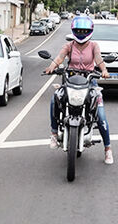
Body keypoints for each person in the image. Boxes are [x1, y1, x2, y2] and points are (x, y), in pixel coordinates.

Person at [44, 15, 114, 164]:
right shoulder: (69, 46)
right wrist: (51, 67)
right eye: (79, 30)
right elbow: (59, 58)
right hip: (70, 80)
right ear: (74, 31)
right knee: (55, 98)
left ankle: (107, 149)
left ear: (90, 31)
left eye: (84, 31)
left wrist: (104, 70)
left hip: (89, 82)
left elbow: (99, 59)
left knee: (101, 116)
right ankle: (54, 133)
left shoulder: (94, 46)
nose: (81, 33)